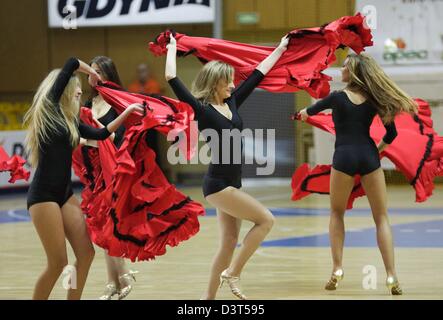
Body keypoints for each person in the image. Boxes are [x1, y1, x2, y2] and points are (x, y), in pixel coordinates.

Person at [165, 34, 289, 300]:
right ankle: (233, 273)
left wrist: (279, 48)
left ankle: (206, 300)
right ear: (215, 83)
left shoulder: (231, 103)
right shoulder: (201, 110)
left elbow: (258, 75)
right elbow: (172, 80)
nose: (233, 85)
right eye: (227, 81)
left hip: (232, 183)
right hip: (218, 185)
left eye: (232, 81)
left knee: (228, 243)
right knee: (266, 220)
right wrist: (172, 48)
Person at [24, 57, 143, 300]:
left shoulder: (73, 122)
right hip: (43, 197)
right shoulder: (50, 110)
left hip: (64, 195)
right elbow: (70, 63)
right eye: (76, 87)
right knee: (58, 262)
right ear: (65, 91)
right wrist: (92, 73)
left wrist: (128, 112)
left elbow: (102, 134)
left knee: (86, 254)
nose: (81, 90)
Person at [299, 53, 417, 295]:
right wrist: (377, 151)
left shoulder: (336, 97)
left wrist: (302, 114)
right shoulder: (374, 100)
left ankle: (337, 268)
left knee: (336, 213)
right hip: (369, 157)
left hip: (343, 157)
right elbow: (391, 134)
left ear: (351, 72)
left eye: (343, 66)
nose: (340, 69)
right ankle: (392, 275)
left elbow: (309, 111)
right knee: (381, 217)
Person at [86, 56, 138, 300]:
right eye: (90, 71)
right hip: (95, 172)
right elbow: (85, 139)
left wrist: (99, 131)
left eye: (97, 71)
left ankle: (122, 275)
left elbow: (123, 140)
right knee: (104, 227)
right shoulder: (87, 103)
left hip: (115, 170)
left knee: (112, 225)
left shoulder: (119, 103)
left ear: (108, 74)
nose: (93, 75)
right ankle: (112, 281)